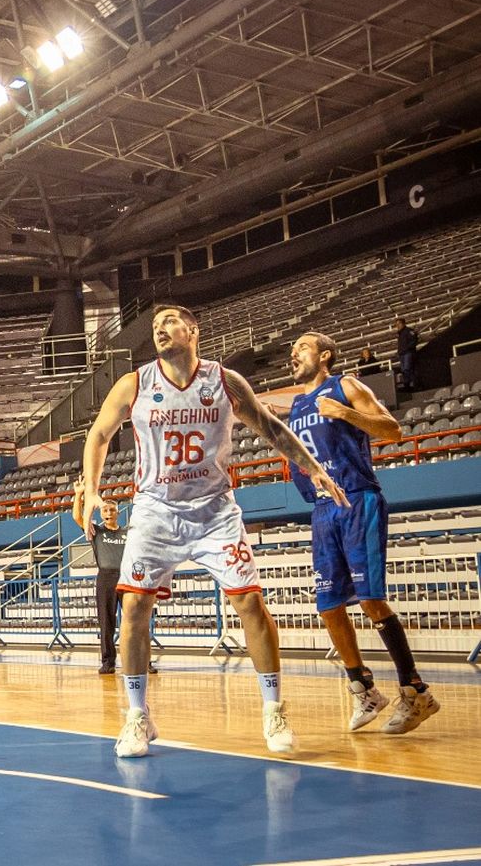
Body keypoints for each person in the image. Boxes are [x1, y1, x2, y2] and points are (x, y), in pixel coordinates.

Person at [78, 305, 349, 759]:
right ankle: (137, 716)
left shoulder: (225, 380)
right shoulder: (136, 383)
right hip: (155, 510)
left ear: (193, 330)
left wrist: (313, 467)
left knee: (249, 601)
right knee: (134, 606)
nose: (160, 329)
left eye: (169, 321)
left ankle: (273, 709)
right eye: (156, 325)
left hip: (215, 510)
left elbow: (270, 427)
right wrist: (91, 491)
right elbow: (98, 435)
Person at [288, 332, 440, 733]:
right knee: (328, 606)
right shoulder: (297, 406)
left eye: (301, 347)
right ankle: (363, 687)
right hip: (323, 510)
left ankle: (416, 691)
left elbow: (392, 430)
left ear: (325, 355)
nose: (293, 353)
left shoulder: (346, 385)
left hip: (358, 500)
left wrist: (345, 413)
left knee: (371, 600)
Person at [72, 479, 127, 675]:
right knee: (106, 622)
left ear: (118, 513)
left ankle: (142, 662)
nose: (108, 513)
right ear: (101, 514)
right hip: (105, 578)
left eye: (112, 510)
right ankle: (108, 662)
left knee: (134, 622)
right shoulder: (96, 531)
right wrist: (79, 495)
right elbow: (78, 518)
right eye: (105, 510)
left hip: (127, 578)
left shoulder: (128, 532)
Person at [394, 318, 418, 390]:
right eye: (396, 325)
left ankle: (411, 384)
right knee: (404, 370)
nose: (397, 326)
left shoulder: (409, 331)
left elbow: (414, 341)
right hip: (402, 354)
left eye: (399, 324)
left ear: (403, 323)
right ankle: (407, 385)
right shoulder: (399, 333)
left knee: (407, 369)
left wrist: (407, 348)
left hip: (408, 353)